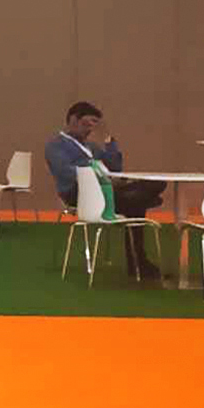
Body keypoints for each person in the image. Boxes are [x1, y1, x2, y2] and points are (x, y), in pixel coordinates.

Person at [45, 101, 164, 279]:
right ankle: (138, 262)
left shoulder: (91, 147)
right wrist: (96, 173)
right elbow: (65, 172)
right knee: (137, 203)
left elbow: (115, 166)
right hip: (78, 193)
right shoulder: (56, 145)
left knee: (155, 184)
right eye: (86, 124)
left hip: (106, 190)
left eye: (93, 126)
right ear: (73, 120)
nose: (89, 130)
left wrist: (107, 139)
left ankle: (137, 200)